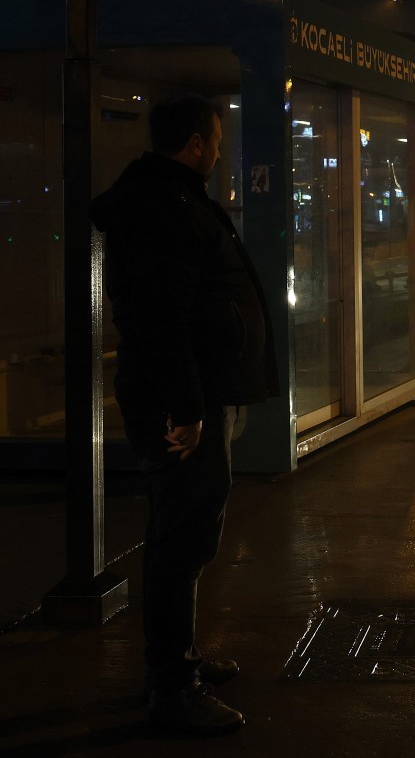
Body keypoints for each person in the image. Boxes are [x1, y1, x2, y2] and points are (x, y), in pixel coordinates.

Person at [91, 93, 279, 736]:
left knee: (182, 534)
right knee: (181, 541)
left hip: (190, 398)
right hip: (177, 406)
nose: (221, 149)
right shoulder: (164, 209)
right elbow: (162, 321)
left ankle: (179, 661)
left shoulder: (170, 200)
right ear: (196, 144)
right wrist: (187, 410)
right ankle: (173, 688)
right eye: (217, 140)